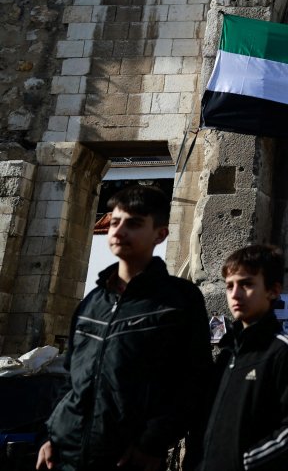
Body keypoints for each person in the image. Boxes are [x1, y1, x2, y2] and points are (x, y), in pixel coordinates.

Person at [38, 186, 210, 471]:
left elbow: (193, 381)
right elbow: (71, 378)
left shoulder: (179, 300)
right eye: (115, 222)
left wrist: (152, 443)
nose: (119, 231)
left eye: (134, 223)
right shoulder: (92, 303)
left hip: (128, 457)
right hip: (65, 453)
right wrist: (51, 435)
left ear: (160, 234)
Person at [201, 246, 288, 471]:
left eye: (247, 284)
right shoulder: (228, 353)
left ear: (273, 290)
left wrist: (244, 461)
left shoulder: (284, 349)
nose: (235, 294)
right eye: (229, 286)